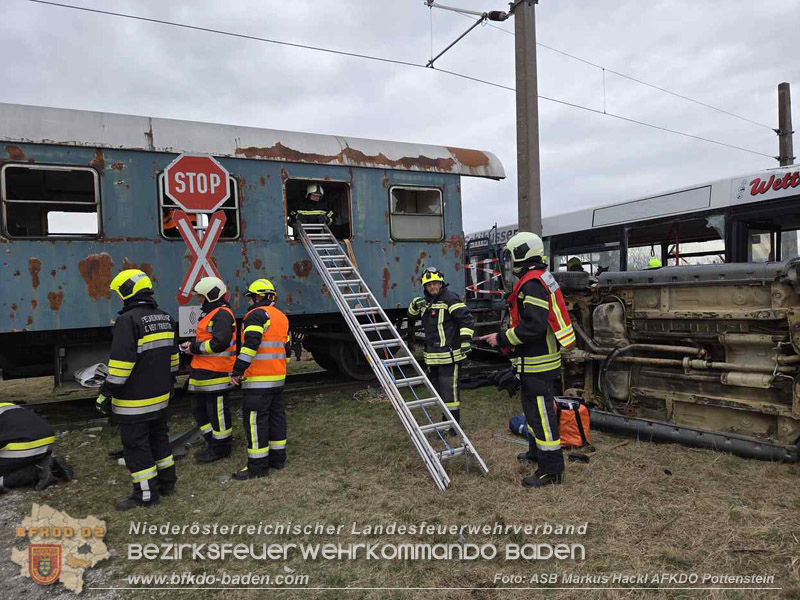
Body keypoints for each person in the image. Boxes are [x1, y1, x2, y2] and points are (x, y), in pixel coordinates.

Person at [480, 232, 575, 488]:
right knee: (533, 413)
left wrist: (501, 338)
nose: (510, 261)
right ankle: (536, 453)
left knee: (542, 417)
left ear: (522, 253)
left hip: (538, 363)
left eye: (511, 255)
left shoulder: (531, 283)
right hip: (537, 362)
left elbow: (533, 327)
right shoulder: (538, 278)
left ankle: (551, 470)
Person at [97, 269, 179, 510]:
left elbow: (121, 366)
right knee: (159, 440)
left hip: (134, 402)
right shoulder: (164, 317)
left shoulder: (127, 321)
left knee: (136, 446)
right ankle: (167, 484)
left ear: (127, 292)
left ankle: (145, 494)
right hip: (160, 397)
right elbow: (173, 360)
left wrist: (106, 393)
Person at [230, 279, 290, 480]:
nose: (250, 301)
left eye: (251, 297)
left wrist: (237, 370)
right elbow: (287, 351)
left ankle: (257, 466)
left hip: (258, 380)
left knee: (256, 421)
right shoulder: (281, 317)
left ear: (258, 297)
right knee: (276, 417)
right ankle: (278, 459)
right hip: (277, 377)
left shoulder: (255, 315)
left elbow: (250, 346)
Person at [408, 267, 474, 431]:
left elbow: (466, 319)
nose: (433, 287)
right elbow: (411, 316)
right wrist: (415, 304)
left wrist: (465, 341)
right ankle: (446, 421)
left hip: (449, 356)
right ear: (425, 286)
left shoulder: (449, 298)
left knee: (450, 394)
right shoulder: (425, 302)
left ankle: (452, 426)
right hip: (433, 357)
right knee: (439, 392)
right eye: (429, 284)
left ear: (441, 283)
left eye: (436, 283)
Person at [180, 276, 237, 463]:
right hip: (204, 370)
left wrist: (194, 347)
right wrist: (192, 346)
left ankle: (221, 447)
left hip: (217, 372)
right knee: (199, 409)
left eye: (201, 296)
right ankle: (212, 440)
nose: (199, 300)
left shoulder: (221, 314)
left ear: (211, 296)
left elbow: (219, 343)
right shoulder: (211, 313)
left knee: (217, 412)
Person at [0, 402, 73, 493]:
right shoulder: (6, 405)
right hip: (46, 441)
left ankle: (35, 472)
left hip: (25, 445)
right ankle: (52, 465)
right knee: (13, 462)